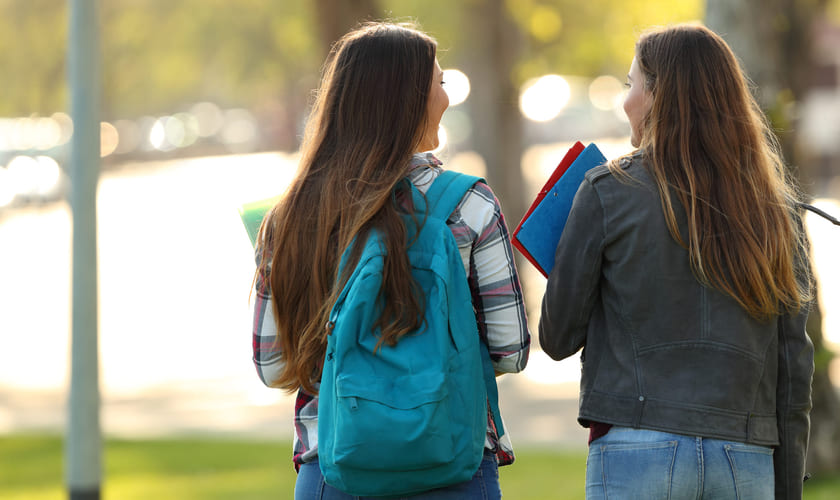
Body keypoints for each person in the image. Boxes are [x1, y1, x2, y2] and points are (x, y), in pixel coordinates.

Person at [251, 22, 530, 500]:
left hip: (335, 470)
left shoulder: (290, 217)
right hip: (453, 464)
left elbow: (273, 365)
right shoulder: (470, 205)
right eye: (440, 83)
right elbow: (511, 350)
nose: (446, 97)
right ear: (410, 100)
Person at [539, 24, 814, 499]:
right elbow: (794, 371)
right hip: (745, 456)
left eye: (631, 85)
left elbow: (557, 338)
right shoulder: (777, 211)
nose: (626, 101)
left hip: (634, 447)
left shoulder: (607, 191)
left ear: (657, 96)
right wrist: (786, 485)